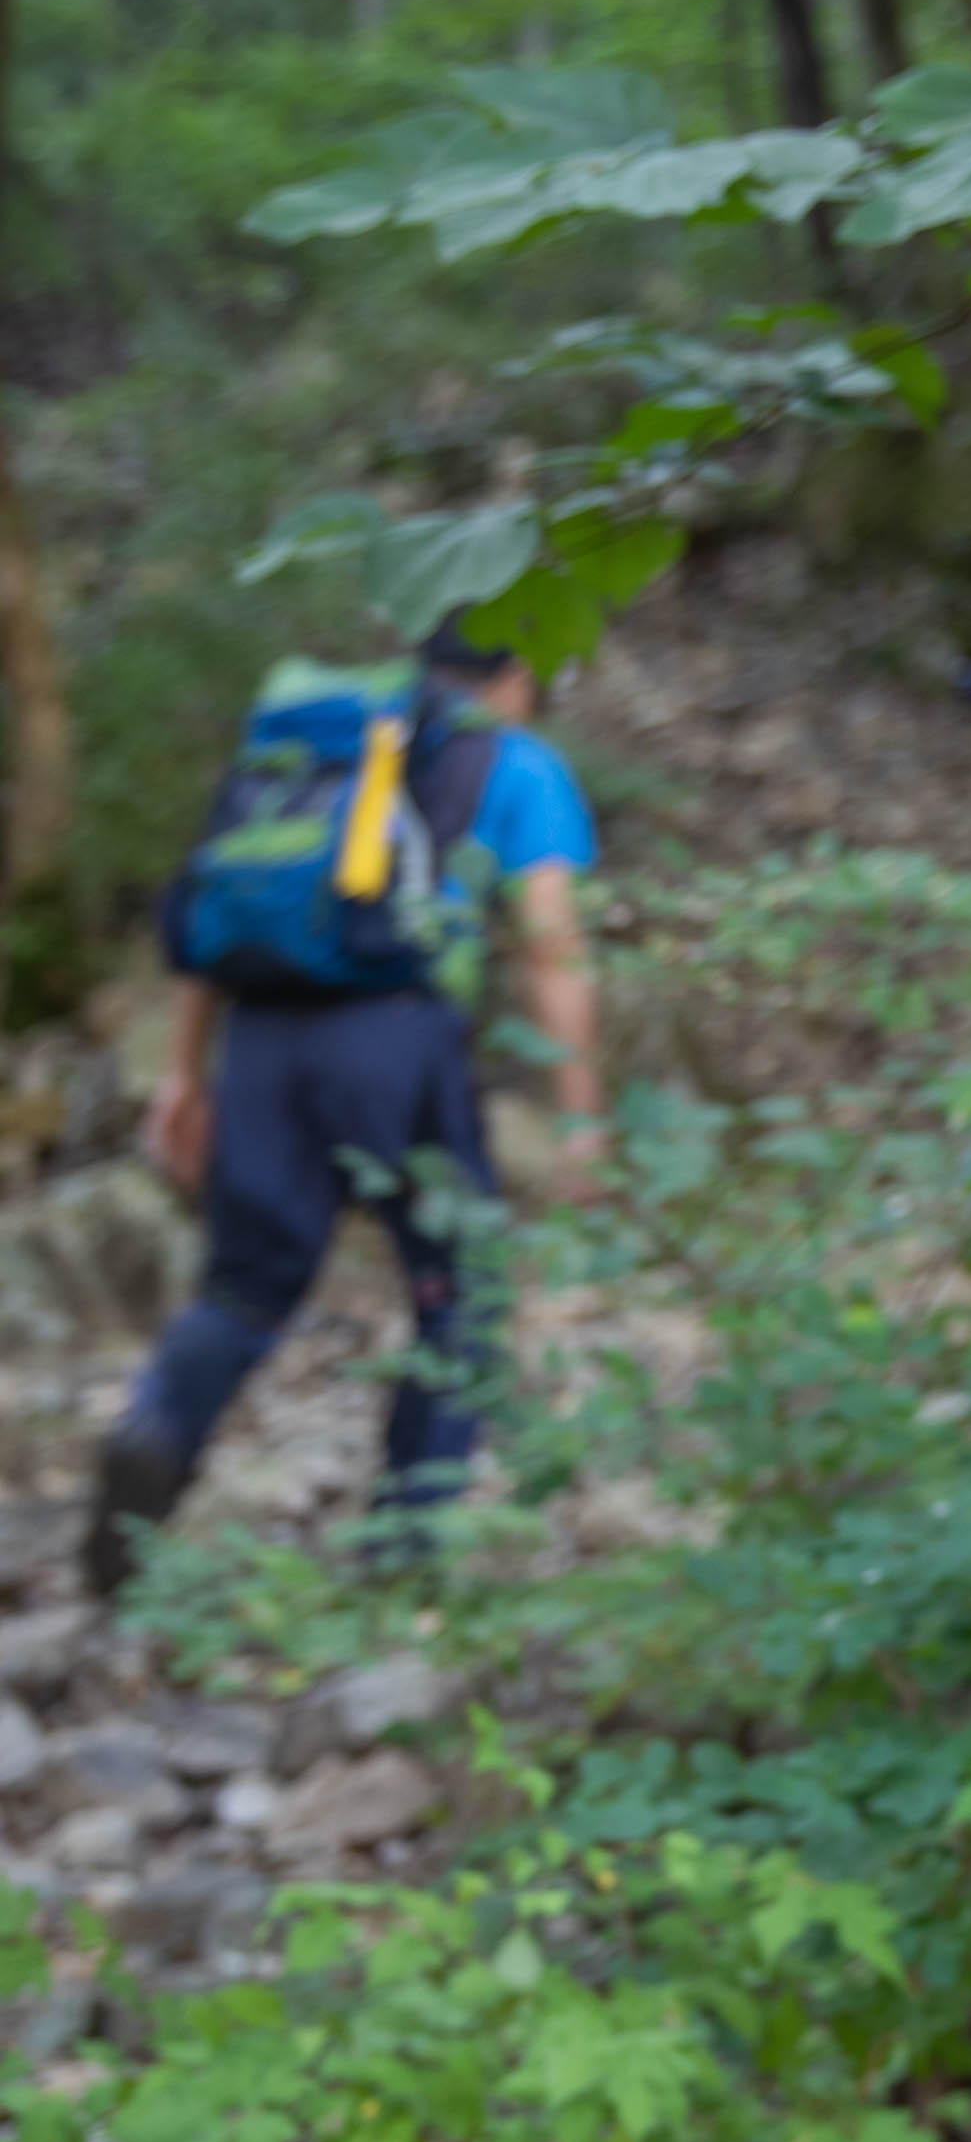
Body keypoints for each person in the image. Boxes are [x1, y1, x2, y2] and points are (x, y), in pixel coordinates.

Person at [83, 615, 606, 1595]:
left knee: (244, 1286)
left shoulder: (321, 747)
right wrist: (579, 1116)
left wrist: (184, 1075)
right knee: (459, 1288)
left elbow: (211, 919)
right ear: (517, 675)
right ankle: (406, 1544)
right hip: (398, 1040)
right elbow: (552, 948)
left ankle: (153, 1436)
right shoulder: (515, 762)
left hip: (261, 1035)